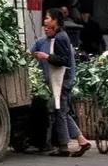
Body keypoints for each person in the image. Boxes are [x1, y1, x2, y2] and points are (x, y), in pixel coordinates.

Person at [31, 8, 91, 157]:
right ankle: (81, 141)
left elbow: (64, 61)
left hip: (63, 81)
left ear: (55, 20)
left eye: (47, 18)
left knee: (61, 112)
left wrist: (46, 56)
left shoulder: (61, 37)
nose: (45, 21)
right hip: (62, 81)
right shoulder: (58, 36)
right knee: (61, 112)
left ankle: (65, 147)